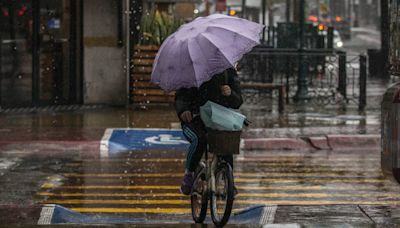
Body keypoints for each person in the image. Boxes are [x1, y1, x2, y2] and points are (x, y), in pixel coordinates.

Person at [175, 67, 243, 195]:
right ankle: (188, 174)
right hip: (194, 120)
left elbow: (238, 101)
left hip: (218, 118)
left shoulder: (227, 71)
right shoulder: (191, 70)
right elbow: (181, 97)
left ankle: (229, 182)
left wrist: (230, 94)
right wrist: (183, 110)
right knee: (198, 139)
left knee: (226, 142)